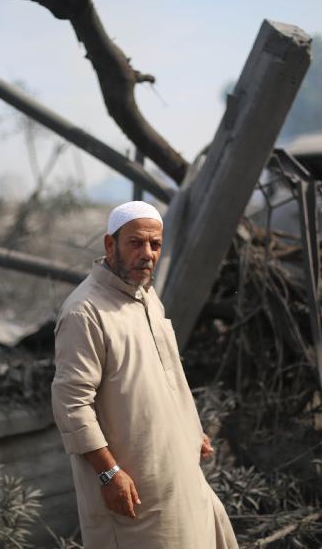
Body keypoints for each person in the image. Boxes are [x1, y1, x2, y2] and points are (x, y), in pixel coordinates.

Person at [51, 200, 238, 548]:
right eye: (135, 243)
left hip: (179, 475)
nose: (147, 253)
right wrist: (109, 474)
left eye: (155, 245)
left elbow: (166, 377)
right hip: (135, 491)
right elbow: (72, 405)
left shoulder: (147, 298)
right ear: (111, 245)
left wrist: (191, 431)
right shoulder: (84, 312)